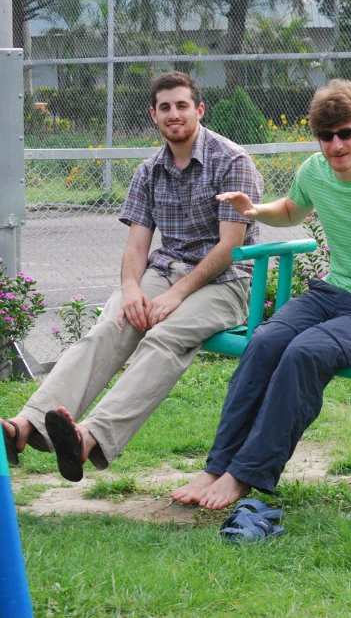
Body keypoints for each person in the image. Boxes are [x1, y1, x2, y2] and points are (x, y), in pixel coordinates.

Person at [170, 79, 351, 511]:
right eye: (326, 136)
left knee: (304, 352)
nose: (336, 144)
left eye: (345, 133)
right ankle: (217, 467)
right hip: (331, 294)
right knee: (265, 342)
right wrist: (254, 210)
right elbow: (292, 208)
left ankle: (245, 475)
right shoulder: (315, 170)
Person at [1, 71, 263, 482]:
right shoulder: (149, 171)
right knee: (110, 325)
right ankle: (24, 427)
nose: (173, 114)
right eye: (165, 108)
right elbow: (137, 247)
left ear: (199, 109)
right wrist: (130, 291)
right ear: (153, 115)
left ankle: (87, 439)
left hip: (225, 282)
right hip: (166, 272)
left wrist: (174, 295)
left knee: (164, 337)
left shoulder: (232, 161)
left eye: (181, 105)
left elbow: (230, 246)